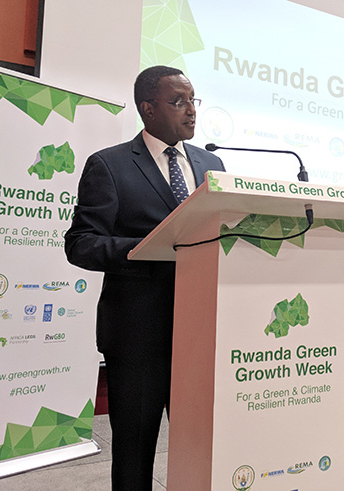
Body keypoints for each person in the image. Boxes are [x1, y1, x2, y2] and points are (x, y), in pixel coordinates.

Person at [65, 65, 224, 490]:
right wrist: (147, 247)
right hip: (138, 336)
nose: (191, 111)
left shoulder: (212, 163)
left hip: (203, 333)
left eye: (194, 101)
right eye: (179, 102)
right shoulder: (110, 165)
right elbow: (80, 243)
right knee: (135, 451)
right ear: (148, 110)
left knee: (204, 446)